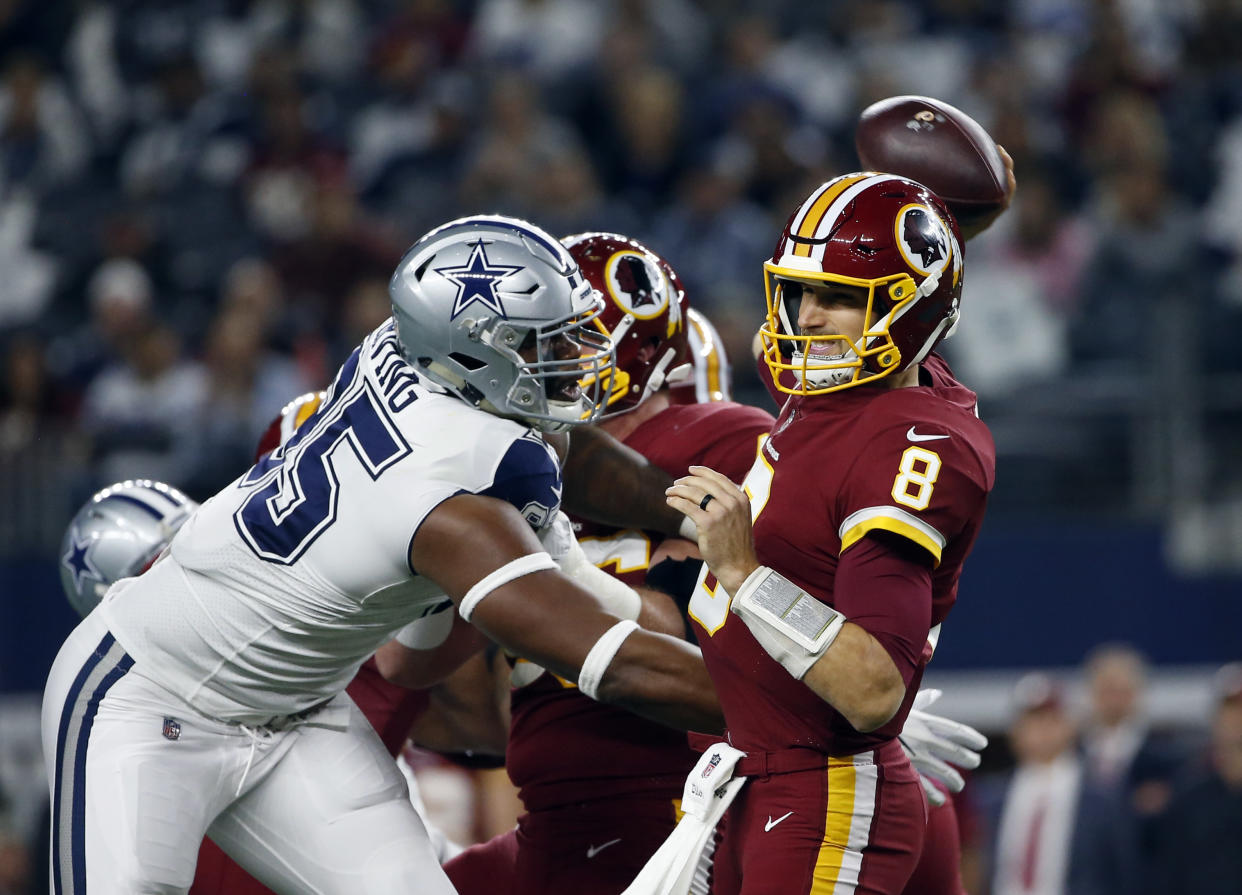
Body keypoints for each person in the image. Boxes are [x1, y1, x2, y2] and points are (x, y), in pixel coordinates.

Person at [40, 213, 722, 895]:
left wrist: (686, 512)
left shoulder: (400, 348)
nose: (579, 353)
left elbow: (553, 452)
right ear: (477, 354)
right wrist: (782, 705)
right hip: (145, 690)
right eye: (548, 340)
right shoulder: (448, 506)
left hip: (298, 710)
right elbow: (611, 661)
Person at [665, 173, 997, 894]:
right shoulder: (830, 382)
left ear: (910, 313)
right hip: (756, 774)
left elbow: (876, 688)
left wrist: (745, 572)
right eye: (798, 291)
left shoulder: (913, 443)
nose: (805, 318)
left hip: (827, 790)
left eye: (839, 299)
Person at [983, 673, 1138, 895]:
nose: (1041, 731)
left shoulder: (1101, 800)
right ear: (1015, 731)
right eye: (1032, 721)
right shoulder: (994, 798)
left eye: (1051, 720)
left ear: (1069, 726)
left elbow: (1123, 874)